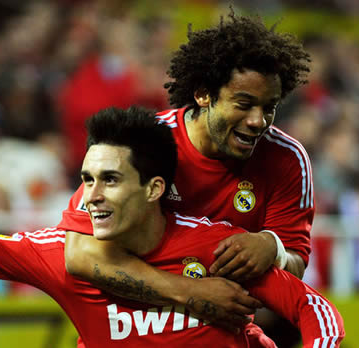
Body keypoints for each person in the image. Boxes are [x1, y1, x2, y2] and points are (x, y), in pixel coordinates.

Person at [0, 107, 343, 347]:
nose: (91, 195)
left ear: (153, 189)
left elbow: (315, 310)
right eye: (87, 179)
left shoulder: (215, 246)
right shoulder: (64, 254)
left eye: (110, 180)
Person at [60, 9, 314, 340]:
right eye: (243, 103)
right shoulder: (143, 145)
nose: (258, 121)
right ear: (203, 94)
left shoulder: (287, 159)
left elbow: (295, 261)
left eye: (269, 107)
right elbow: (79, 253)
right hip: (128, 333)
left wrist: (273, 248)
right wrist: (190, 293)